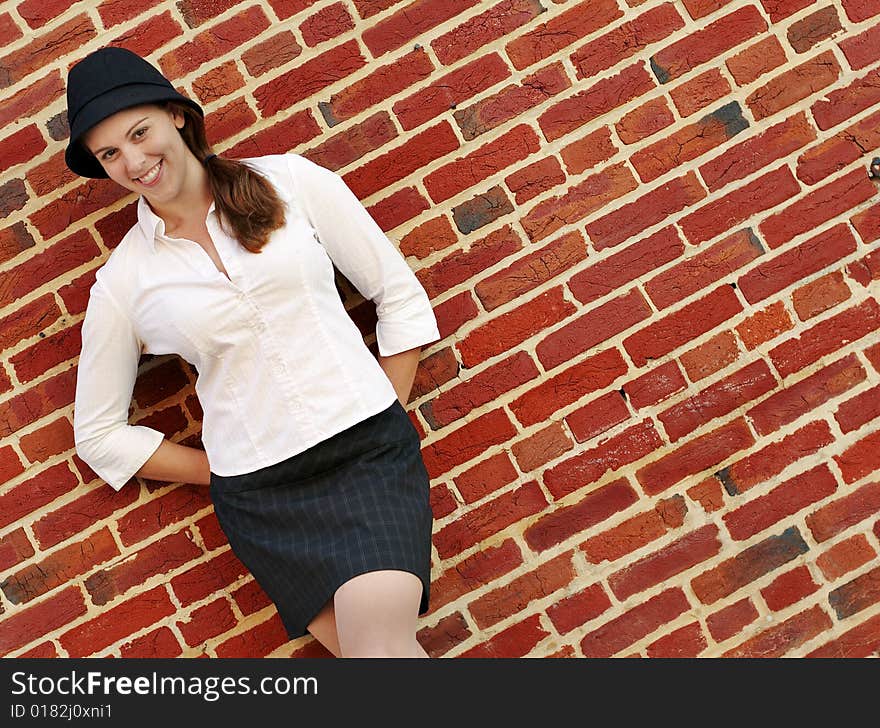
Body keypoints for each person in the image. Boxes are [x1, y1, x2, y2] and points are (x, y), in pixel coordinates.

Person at [67, 46, 441, 658]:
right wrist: (221, 473)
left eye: (140, 133)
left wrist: (385, 411)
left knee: (380, 649)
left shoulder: (291, 183)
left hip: (366, 457)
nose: (134, 161)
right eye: (110, 153)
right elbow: (98, 433)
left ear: (177, 116)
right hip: (265, 500)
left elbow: (397, 295)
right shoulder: (125, 282)